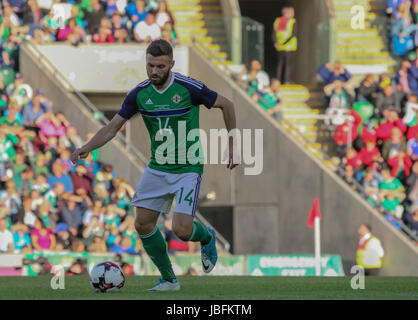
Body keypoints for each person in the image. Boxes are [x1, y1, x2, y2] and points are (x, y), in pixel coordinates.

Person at [71, 39, 238, 291]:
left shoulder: (188, 88)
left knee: (181, 229)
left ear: (171, 64)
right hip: (158, 167)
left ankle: (207, 236)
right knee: (142, 224)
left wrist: (233, 143)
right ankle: (169, 280)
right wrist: (87, 147)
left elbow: (227, 104)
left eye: (160, 66)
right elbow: (112, 128)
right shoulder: (139, 94)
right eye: (150, 65)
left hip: (187, 168)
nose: (154, 71)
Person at [273, 6, 297, 84]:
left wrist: (276, 43)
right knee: (288, 65)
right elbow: (293, 34)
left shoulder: (277, 21)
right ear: (288, 13)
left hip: (279, 47)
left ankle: (278, 80)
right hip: (289, 47)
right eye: (292, 12)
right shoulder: (292, 21)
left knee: (280, 64)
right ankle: (287, 81)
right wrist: (284, 43)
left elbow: (274, 34)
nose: (293, 14)